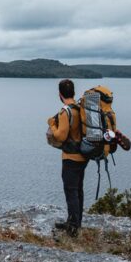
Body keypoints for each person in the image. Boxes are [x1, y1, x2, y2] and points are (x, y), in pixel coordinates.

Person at [47, 78, 86, 236]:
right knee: (78, 191)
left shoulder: (66, 112)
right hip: (83, 157)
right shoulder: (78, 109)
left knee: (71, 192)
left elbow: (60, 136)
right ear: (74, 93)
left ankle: (73, 228)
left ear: (60, 94)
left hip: (71, 157)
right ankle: (75, 222)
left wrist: (52, 124)